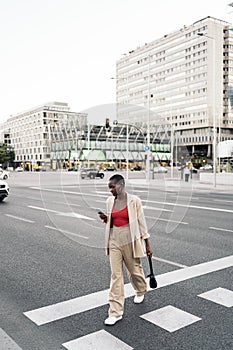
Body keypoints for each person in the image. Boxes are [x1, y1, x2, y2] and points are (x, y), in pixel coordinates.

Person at [98, 174, 152, 326]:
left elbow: (142, 223)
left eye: (112, 187)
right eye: (109, 187)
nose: (110, 190)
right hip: (114, 238)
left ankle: (140, 289)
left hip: (130, 238)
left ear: (120, 185)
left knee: (134, 269)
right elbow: (112, 220)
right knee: (116, 275)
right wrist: (105, 218)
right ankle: (115, 312)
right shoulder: (109, 201)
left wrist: (147, 244)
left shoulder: (134, 201)